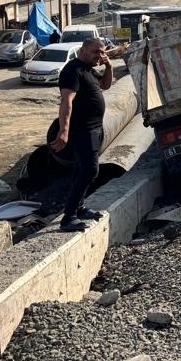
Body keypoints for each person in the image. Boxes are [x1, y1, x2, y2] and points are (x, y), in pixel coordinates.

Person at [49, 38, 113, 232]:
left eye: (102, 52)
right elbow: (66, 102)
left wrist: (108, 65)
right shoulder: (73, 70)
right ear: (83, 50)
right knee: (90, 170)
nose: (99, 55)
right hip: (82, 131)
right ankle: (68, 217)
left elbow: (105, 85)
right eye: (95, 52)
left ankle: (80, 207)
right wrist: (63, 131)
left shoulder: (88, 69)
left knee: (81, 170)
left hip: (95, 129)